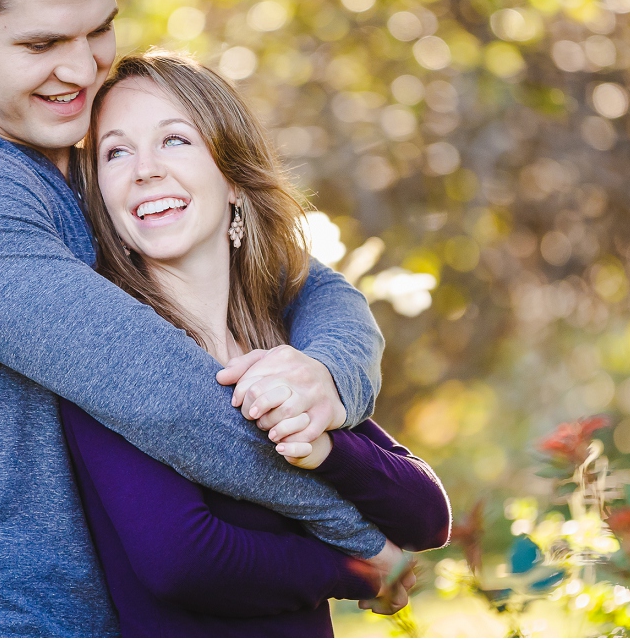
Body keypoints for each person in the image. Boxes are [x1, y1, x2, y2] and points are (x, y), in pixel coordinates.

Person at [0, 0, 405, 636]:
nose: (80, 67)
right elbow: (165, 396)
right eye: (41, 43)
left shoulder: (95, 163)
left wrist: (328, 376)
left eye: (98, 31)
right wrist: (357, 538)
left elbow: (300, 279)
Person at [60, 51, 452, 637]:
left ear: (236, 183)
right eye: (116, 151)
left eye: (175, 140)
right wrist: (357, 570)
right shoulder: (100, 349)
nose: (144, 169)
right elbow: (181, 559)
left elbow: (426, 516)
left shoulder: (277, 345)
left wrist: (324, 448)